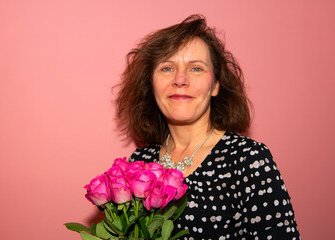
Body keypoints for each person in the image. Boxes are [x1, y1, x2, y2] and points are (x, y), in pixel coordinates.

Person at [115, 15, 300, 239]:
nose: (180, 79)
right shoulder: (138, 165)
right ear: (151, 85)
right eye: (166, 68)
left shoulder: (248, 160)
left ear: (215, 85)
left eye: (196, 69)